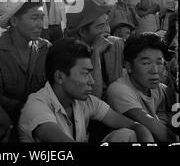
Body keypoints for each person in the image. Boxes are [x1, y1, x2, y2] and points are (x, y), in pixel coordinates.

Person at [18, 38, 154, 143]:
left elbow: (137, 126)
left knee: (127, 134)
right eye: (85, 74)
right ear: (60, 76)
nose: (92, 81)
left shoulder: (85, 101)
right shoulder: (37, 106)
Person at [0, 0, 51, 126]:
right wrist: (27, 108)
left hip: (43, 117)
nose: (40, 24)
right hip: (7, 119)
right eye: (34, 18)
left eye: (42, 18)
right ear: (14, 21)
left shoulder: (46, 48)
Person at [106, 33, 178, 142]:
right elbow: (155, 128)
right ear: (129, 66)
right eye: (146, 63)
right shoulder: (119, 90)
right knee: (128, 134)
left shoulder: (156, 88)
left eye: (159, 63)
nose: (155, 70)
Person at [66, 0, 124, 99]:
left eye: (107, 23)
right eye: (101, 26)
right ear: (82, 32)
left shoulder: (115, 44)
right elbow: (92, 100)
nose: (108, 30)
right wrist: (95, 53)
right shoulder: (69, 57)